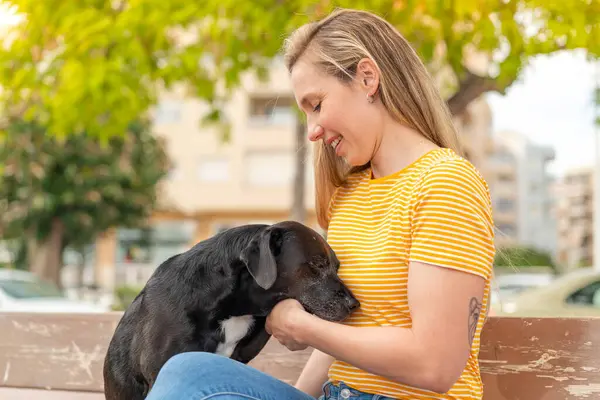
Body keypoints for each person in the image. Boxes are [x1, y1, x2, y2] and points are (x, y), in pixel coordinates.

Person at [145, 7, 495, 400]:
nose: (311, 131)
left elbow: (436, 365)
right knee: (189, 372)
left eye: (316, 104)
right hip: (337, 395)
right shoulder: (351, 196)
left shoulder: (445, 184)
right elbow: (345, 338)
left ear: (367, 78)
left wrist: (305, 327)